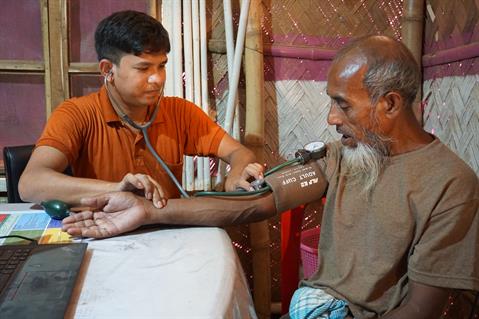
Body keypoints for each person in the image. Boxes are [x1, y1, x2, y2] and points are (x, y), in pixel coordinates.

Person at [61, 35, 479, 318]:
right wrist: (148, 213)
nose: (331, 118)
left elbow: (420, 311)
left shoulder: (450, 185)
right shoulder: (342, 155)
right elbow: (255, 201)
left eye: (343, 105)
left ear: (389, 104)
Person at [18, 10, 263, 208]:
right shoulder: (76, 114)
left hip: (164, 235)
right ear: (107, 70)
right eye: (143, 68)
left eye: (161, 66)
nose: (157, 79)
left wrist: (236, 174)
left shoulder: (180, 112)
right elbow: (30, 184)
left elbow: (240, 153)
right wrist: (117, 188)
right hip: (104, 237)